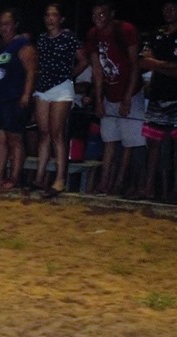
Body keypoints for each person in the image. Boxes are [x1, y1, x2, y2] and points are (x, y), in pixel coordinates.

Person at [86, 0, 142, 196]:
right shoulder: (93, 35)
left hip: (130, 91)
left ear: (111, 14)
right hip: (110, 92)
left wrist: (127, 98)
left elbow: (135, 65)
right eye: (94, 15)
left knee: (129, 141)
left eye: (102, 14)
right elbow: (97, 70)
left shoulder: (125, 30)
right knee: (108, 138)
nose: (97, 18)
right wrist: (99, 99)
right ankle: (104, 183)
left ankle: (118, 182)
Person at [0, 9, 37, 191]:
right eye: (1, 24)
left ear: (15, 24)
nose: (4, 27)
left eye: (7, 23)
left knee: (14, 138)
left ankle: (14, 176)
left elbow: (31, 71)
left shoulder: (22, 44)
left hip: (14, 97)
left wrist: (26, 94)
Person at [32, 3, 88, 197]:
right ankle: (39, 177)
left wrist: (69, 75)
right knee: (44, 133)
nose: (50, 19)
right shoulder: (41, 39)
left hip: (61, 88)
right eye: (47, 15)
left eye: (54, 15)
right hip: (42, 88)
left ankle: (60, 179)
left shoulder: (69, 37)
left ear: (61, 18)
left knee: (57, 134)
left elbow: (84, 59)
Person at [138, 1, 177, 200]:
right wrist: (166, 65)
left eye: (172, 8)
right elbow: (143, 60)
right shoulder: (158, 33)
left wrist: (156, 64)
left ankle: (173, 190)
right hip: (158, 93)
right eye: (165, 8)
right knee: (152, 144)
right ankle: (148, 187)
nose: (168, 12)